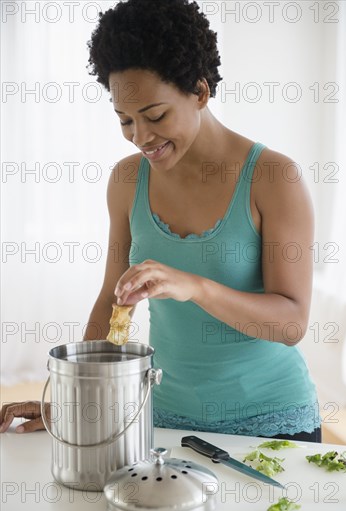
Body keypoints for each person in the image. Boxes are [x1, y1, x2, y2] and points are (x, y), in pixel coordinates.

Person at [0, 0, 321, 442]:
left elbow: (291, 323)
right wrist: (76, 400)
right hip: (162, 419)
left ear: (201, 91)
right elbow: (111, 300)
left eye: (155, 116)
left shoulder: (273, 178)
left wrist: (195, 286)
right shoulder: (126, 180)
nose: (140, 137)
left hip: (271, 423)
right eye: (125, 120)